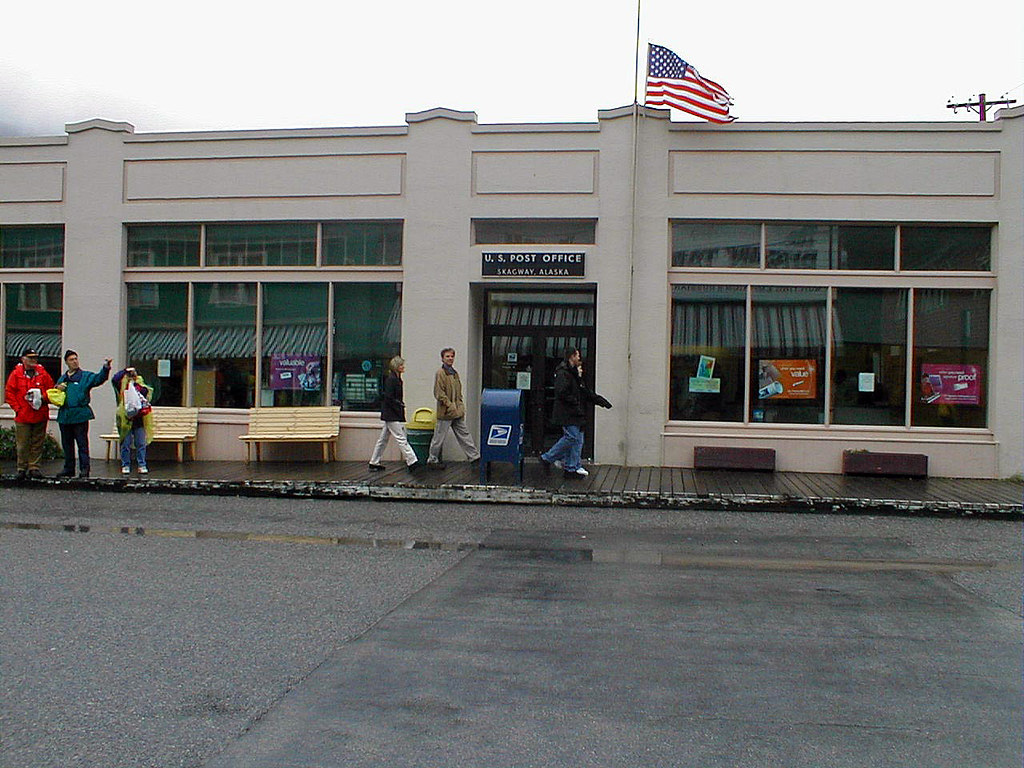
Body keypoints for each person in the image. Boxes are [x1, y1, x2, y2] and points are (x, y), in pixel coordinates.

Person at [539, 348, 611, 478]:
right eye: (578, 356)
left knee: (578, 439)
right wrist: (575, 403)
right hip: (567, 413)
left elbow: (586, 393)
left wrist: (601, 401)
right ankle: (548, 458)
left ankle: (571, 468)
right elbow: (562, 392)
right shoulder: (563, 373)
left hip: (575, 413)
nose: (580, 359)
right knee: (572, 437)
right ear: (572, 356)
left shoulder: (573, 375)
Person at [54, 350, 111, 478]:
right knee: (67, 445)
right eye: (71, 360)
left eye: (76, 359)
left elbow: (99, 379)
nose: (74, 361)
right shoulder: (63, 379)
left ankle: (84, 469)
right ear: (66, 362)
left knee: (82, 444)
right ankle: (69, 468)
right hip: (65, 415)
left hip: (80, 414)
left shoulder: (85, 376)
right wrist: (57, 388)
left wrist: (106, 368)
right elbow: (55, 394)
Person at [4, 347, 55, 480]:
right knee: (22, 444)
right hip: (23, 415)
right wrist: (17, 408)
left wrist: (43, 398)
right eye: (31, 358)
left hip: (40, 414)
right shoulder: (16, 375)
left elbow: (51, 391)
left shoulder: (43, 374)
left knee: (37, 443)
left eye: (35, 358)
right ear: (23, 359)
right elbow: (9, 393)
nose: (33, 360)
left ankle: (34, 468)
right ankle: (22, 468)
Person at [426, 347, 480, 470]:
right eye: (447, 356)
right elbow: (439, 393)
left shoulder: (455, 373)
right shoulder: (441, 373)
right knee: (439, 437)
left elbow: (459, 393)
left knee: (464, 434)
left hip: (457, 411)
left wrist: (460, 406)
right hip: (445, 412)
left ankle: (475, 457)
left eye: (452, 356)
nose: (450, 358)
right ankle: (432, 459)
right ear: (442, 358)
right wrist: (450, 405)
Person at [368, 356, 421, 473]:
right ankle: (412, 460)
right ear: (396, 367)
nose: (403, 367)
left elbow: (389, 398)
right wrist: (399, 406)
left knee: (383, 439)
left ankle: (374, 461)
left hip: (390, 413)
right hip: (392, 413)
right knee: (400, 437)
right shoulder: (392, 380)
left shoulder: (395, 378)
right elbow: (389, 397)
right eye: (401, 365)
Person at [112, 365, 153, 475]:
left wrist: (136, 384)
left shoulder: (140, 384)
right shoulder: (122, 384)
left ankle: (142, 464)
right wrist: (125, 372)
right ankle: (125, 464)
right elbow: (114, 379)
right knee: (125, 443)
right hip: (125, 419)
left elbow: (146, 392)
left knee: (141, 443)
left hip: (138, 419)